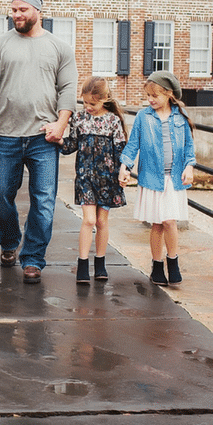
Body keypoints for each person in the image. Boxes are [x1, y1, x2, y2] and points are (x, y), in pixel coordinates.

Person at [0, 0, 78, 284]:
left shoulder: (59, 48)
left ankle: (33, 258)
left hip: (44, 138)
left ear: (38, 11)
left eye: (22, 10)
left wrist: (61, 123)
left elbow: (68, 89)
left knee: (44, 200)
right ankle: (9, 242)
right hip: (6, 134)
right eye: (14, 10)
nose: (16, 15)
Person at [118, 70, 196, 286]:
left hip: (174, 179)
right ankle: (156, 265)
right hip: (152, 178)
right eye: (148, 96)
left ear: (169, 94)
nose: (151, 100)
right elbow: (133, 144)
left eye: (155, 96)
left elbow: (189, 148)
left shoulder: (180, 118)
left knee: (170, 222)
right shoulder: (144, 117)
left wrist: (189, 167)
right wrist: (125, 166)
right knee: (157, 224)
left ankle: (173, 262)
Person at [61, 76, 127, 283]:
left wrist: (124, 172)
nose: (87, 107)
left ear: (105, 99)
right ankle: (82, 264)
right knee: (89, 220)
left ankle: (100, 263)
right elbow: (70, 146)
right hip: (85, 177)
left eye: (93, 103)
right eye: (85, 102)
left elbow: (121, 151)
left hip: (108, 179)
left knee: (101, 221)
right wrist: (57, 139)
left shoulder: (113, 121)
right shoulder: (79, 119)